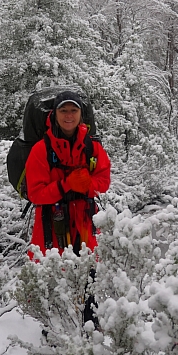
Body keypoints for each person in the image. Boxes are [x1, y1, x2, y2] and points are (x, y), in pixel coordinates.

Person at [25, 90, 111, 259]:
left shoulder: (92, 147)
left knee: (91, 274)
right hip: (51, 227)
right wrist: (67, 184)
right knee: (52, 278)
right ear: (54, 114)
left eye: (74, 110)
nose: (69, 115)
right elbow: (35, 194)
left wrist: (88, 185)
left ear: (81, 114)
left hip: (86, 224)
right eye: (63, 110)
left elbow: (103, 181)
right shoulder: (41, 150)